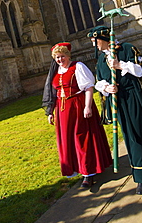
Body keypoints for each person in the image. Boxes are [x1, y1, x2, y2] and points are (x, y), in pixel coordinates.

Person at [87, 26, 142, 195]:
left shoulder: (128, 49)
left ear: (104, 38)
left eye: (95, 41)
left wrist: (119, 65)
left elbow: (140, 71)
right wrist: (107, 87)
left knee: (138, 133)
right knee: (130, 134)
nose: (94, 45)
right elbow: (99, 81)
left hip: (133, 97)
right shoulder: (101, 60)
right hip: (118, 101)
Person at [42, 42, 112, 188]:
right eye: (57, 57)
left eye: (62, 56)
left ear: (68, 55)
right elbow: (54, 93)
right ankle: (75, 168)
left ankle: (88, 173)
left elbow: (88, 87)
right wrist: (50, 112)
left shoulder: (78, 67)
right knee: (67, 140)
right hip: (62, 110)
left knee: (82, 138)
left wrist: (87, 106)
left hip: (77, 106)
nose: (60, 60)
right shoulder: (56, 70)